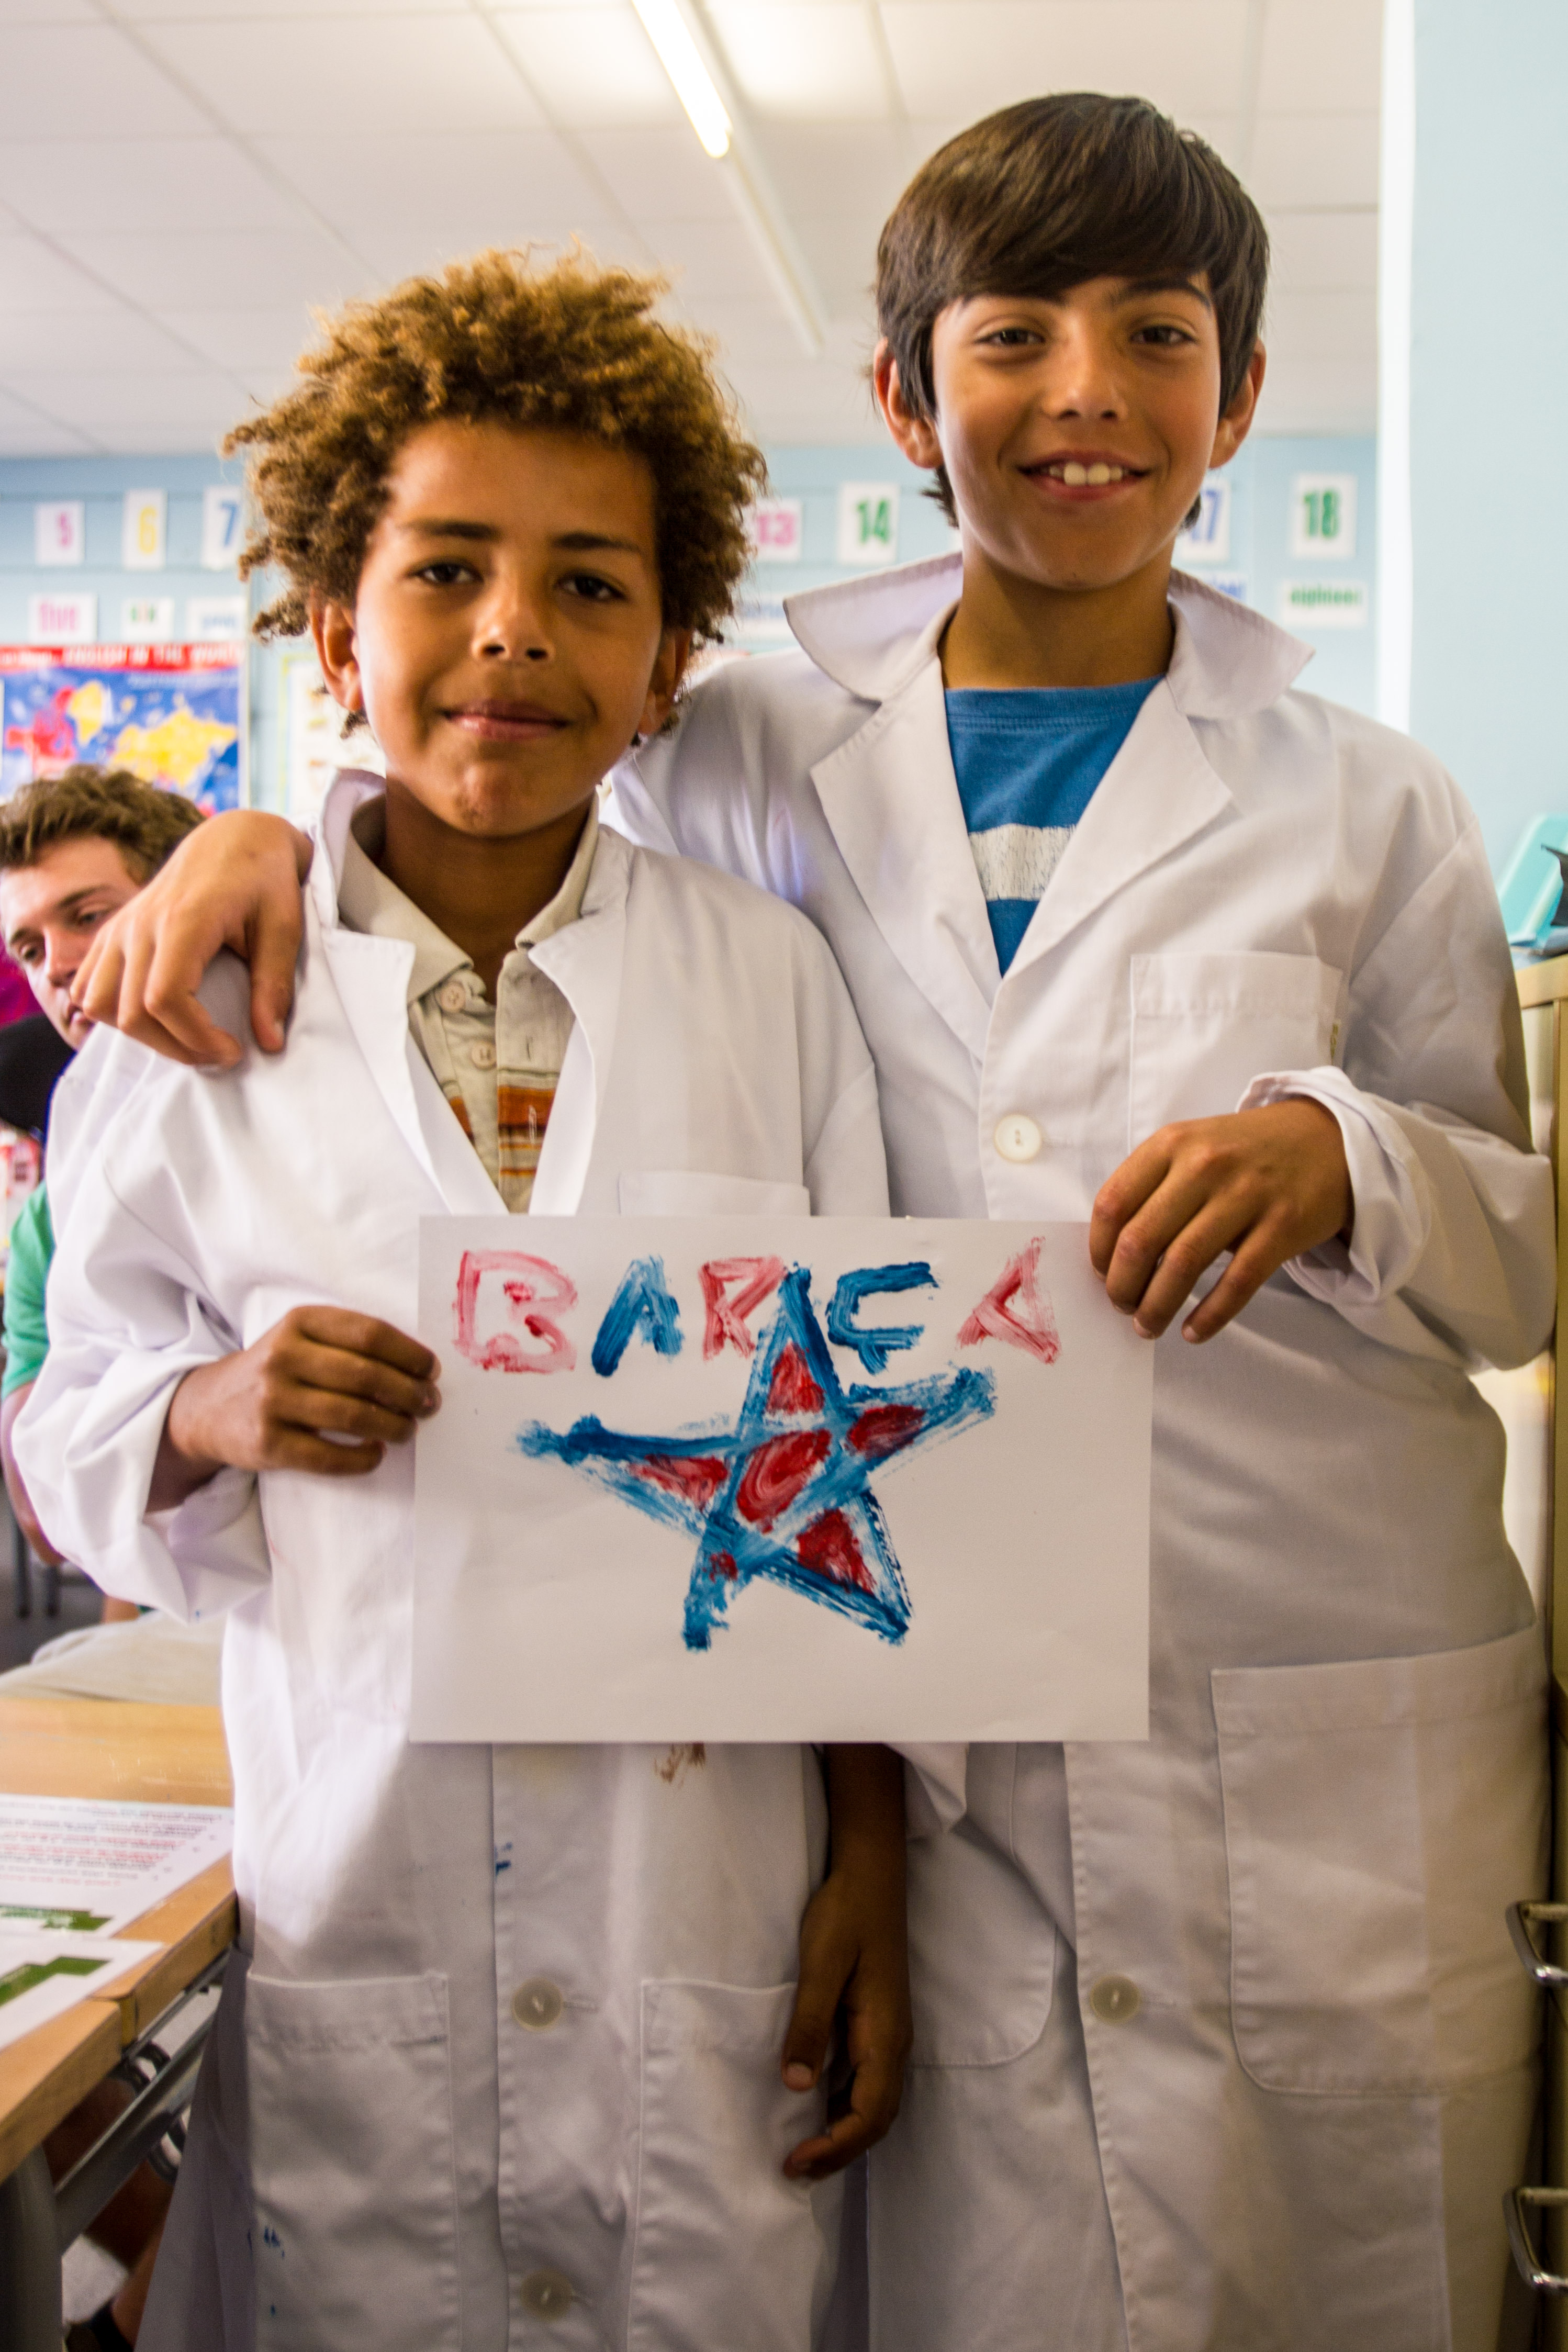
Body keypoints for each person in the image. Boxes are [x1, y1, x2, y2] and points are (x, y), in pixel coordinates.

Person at [58, 98, 1554, 2352]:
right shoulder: (740, 752)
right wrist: (246, 832)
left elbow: (1513, 1250)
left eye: (1154, 335)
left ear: (1236, 394)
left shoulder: (1367, 798)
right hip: (917, 1733)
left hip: (1289, 1679)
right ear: (902, 396)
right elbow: (474, 765)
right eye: (1011, 333)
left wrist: (1343, 1154)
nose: (1081, 391)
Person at [16, 253, 922, 2349]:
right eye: (444, 570)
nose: (513, 627)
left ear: (667, 660)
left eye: (589, 584)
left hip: (702, 1884)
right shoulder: (185, 1012)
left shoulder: (766, 982)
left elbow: (866, 1448)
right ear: (338, 627)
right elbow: (67, 1420)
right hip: (363, 1878)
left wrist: (871, 1855)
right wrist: (208, 1410)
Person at [0, 767, 205, 1595]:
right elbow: (44, 1506)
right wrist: (198, 1418)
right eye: (30, 948)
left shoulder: (321, 1089)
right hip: (191, 1599)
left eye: (88, 917)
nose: (58, 965)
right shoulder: (53, 1218)